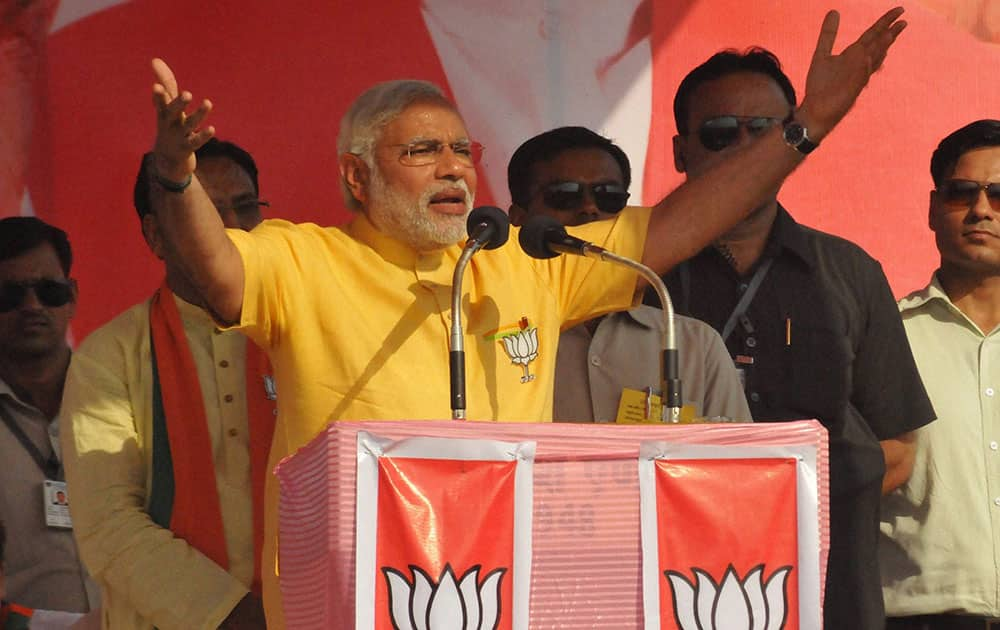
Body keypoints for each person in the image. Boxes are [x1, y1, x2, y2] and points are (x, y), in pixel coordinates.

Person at [144, 8, 907, 624]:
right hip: (356, 600)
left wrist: (805, 125)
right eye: (422, 151)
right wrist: (177, 179)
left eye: (459, 150)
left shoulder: (520, 261)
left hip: (503, 597)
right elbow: (214, 264)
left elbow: (681, 223)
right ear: (357, 174)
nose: (452, 167)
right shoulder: (302, 259)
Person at [653, 47, 935, 629]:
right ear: (681, 151)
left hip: (829, 593)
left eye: (767, 131)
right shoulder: (636, 275)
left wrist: (789, 506)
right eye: (721, 133)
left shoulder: (850, 270)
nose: (747, 149)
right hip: (672, 582)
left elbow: (899, 450)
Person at [60, 140, 274, 630]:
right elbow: (109, 525)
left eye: (245, 208)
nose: (230, 229)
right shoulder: (109, 357)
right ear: (156, 235)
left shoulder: (301, 335)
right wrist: (235, 615)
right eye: (203, 211)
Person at [508, 126, 751, 422]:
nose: (590, 209)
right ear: (518, 219)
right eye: (565, 195)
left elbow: (737, 462)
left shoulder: (693, 344)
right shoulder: (498, 340)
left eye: (608, 197)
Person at [881, 120, 1000, 629]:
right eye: (962, 192)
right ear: (933, 208)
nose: (982, 210)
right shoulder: (886, 337)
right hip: (923, 616)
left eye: (999, 195)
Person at [0, 217, 98, 615]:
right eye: (9, 295)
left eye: (49, 290)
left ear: (71, 297)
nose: (32, 306)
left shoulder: (124, 401)